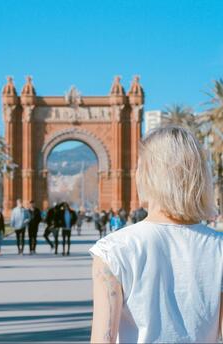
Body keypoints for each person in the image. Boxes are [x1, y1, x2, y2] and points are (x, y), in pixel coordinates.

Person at [89, 125, 223, 343]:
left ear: (149, 175)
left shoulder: (112, 250)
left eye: (139, 167)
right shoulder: (219, 248)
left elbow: (103, 340)